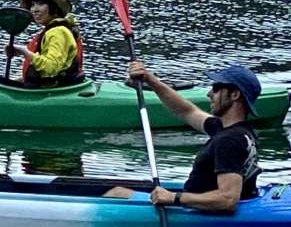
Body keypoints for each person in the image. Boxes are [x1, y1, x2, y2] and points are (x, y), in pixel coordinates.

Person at [106, 62, 263, 213]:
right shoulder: (236, 131)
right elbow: (187, 111)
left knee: (117, 194)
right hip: (193, 203)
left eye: (216, 89)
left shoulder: (229, 141)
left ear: (235, 94)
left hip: (193, 212)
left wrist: (174, 197)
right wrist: (151, 80)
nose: (209, 94)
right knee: (117, 190)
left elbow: (228, 200)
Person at [8, 0, 85, 87]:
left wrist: (24, 52)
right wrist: (18, 81)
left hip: (52, 91)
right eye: (32, 5)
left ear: (54, 7)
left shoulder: (58, 32)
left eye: (41, 4)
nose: (34, 9)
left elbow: (51, 68)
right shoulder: (53, 30)